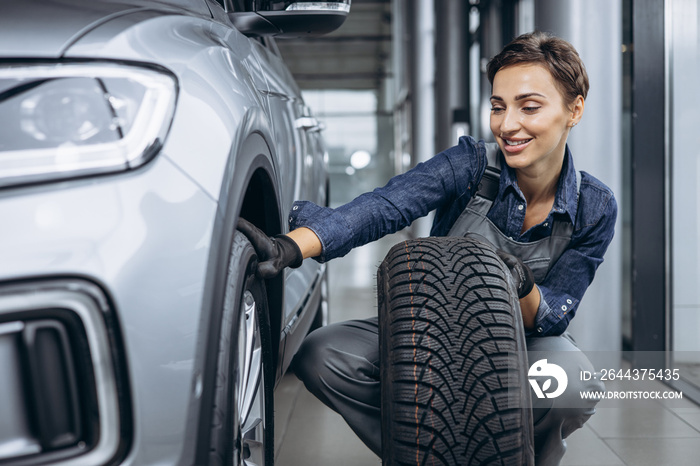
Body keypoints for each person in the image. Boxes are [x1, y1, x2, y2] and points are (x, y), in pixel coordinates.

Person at [238, 31, 616, 466]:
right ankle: (429, 453)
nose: (507, 125)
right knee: (322, 354)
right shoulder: (472, 165)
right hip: (431, 326)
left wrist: (519, 280)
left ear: (574, 109)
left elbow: (552, 316)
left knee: (572, 385)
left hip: (521, 339)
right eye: (498, 106)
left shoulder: (595, 206)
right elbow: (385, 206)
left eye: (529, 107)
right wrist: (290, 247)